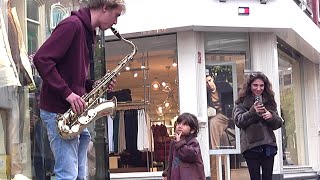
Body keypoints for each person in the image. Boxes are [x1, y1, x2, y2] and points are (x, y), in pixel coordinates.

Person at [33, 0, 125, 179]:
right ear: (105, 7)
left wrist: (94, 85)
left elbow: (71, 76)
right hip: (58, 111)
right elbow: (41, 59)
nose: (116, 22)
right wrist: (68, 94)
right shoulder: (72, 25)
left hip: (70, 111)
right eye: (116, 15)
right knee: (67, 174)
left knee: (80, 161)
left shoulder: (86, 32)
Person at [232, 72, 283, 180]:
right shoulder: (241, 102)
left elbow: (279, 123)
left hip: (269, 145)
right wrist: (252, 112)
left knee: (268, 177)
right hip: (251, 146)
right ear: (249, 86)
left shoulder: (270, 101)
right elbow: (238, 121)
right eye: (255, 85)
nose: (258, 88)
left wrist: (271, 116)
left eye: (261, 85)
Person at [162, 113, 205, 180]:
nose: (180, 126)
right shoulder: (174, 142)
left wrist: (179, 143)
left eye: (185, 124)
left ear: (192, 130)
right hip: (175, 176)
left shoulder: (193, 142)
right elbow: (171, 160)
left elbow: (189, 155)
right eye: (179, 123)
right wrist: (167, 173)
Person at [206, 75, 230, 149]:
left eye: (209, 80)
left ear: (213, 79)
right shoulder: (205, 94)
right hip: (215, 117)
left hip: (226, 115)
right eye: (206, 82)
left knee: (213, 122)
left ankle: (215, 150)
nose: (209, 84)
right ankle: (221, 158)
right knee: (223, 135)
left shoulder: (224, 87)